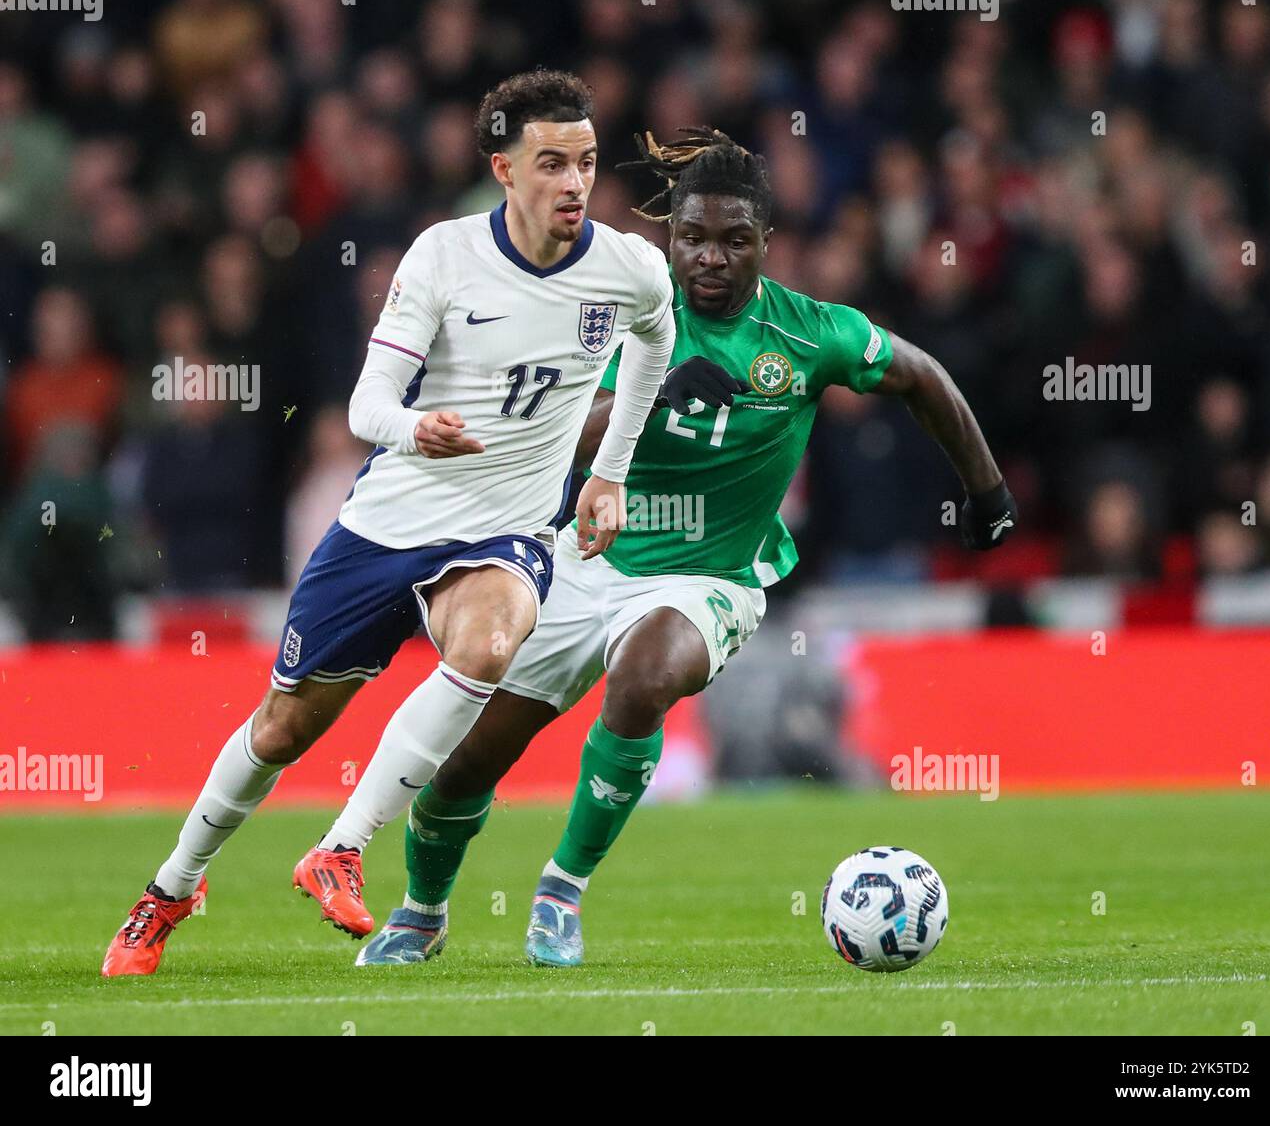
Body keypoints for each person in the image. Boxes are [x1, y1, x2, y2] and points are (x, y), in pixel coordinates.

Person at [354, 129, 1017, 967]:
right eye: (694, 237)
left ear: (766, 245)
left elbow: (920, 374)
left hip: (712, 576)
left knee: (644, 677)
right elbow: (553, 442)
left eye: (734, 241)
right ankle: (421, 911)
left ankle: (562, 889)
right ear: (671, 237)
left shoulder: (810, 336)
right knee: (466, 763)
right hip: (586, 560)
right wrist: (655, 391)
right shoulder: (615, 314)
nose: (711, 257)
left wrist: (986, 489)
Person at [101, 70, 677, 976]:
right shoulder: (444, 258)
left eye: (588, 163)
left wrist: (609, 473)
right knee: (284, 730)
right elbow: (366, 407)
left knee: (489, 644)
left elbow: (658, 337)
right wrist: (418, 429)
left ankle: (341, 847)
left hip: (508, 532)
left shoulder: (627, 267)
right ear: (503, 169)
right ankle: (170, 890)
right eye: (553, 163)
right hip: (390, 522)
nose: (575, 183)